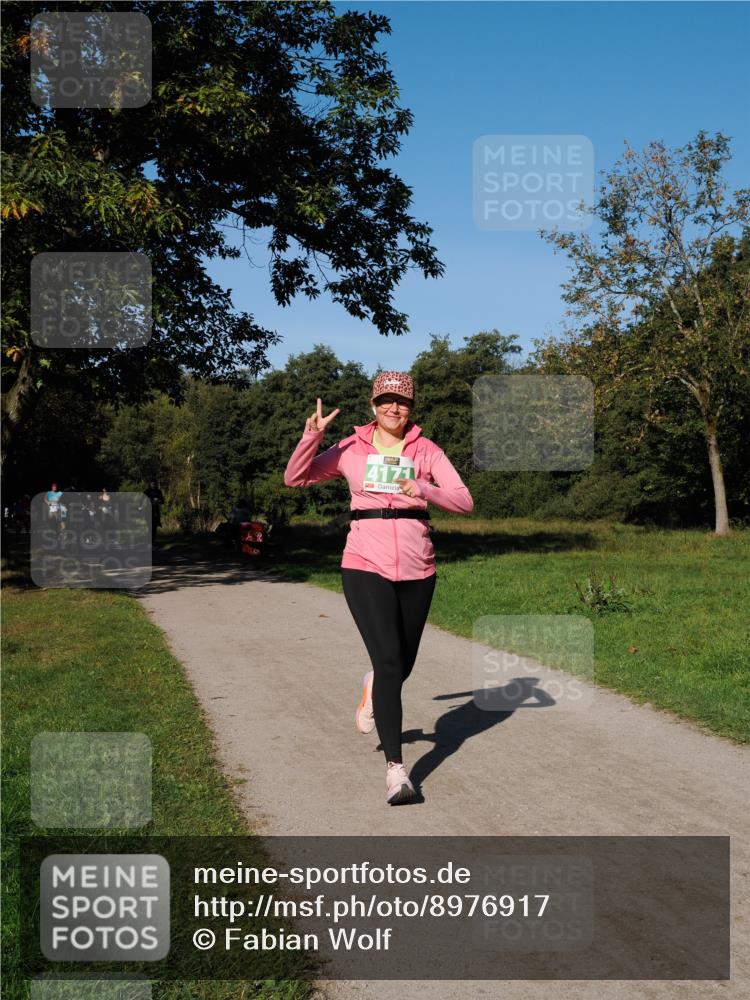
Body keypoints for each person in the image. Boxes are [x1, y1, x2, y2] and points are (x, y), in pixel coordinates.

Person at [284, 371, 473, 805]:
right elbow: (296, 479)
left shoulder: (426, 450)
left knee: (400, 665)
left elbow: (464, 500)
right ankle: (396, 770)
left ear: (412, 408)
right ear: (373, 404)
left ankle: (373, 686)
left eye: (402, 402)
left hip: (418, 566)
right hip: (364, 563)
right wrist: (310, 438)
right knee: (391, 665)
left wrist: (423, 487)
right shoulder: (351, 447)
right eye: (386, 401)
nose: (394, 408)